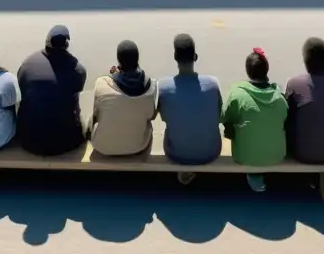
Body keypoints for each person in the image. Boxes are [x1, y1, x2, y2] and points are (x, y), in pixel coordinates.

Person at [157, 34, 223, 184]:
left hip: (176, 154)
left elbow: (164, 117)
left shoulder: (164, 86)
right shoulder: (213, 84)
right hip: (210, 153)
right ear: (195, 57)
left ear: (175, 57)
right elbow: (219, 115)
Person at [221, 48, 288, 193]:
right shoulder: (279, 97)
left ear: (248, 71)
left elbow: (224, 117)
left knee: (233, 121)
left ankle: (254, 174)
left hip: (244, 156)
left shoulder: (238, 93)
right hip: (276, 155)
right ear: (266, 70)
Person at [16, 25, 88, 156]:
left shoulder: (27, 65)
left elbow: (23, 89)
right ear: (66, 44)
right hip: (66, 142)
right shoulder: (78, 69)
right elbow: (76, 89)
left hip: (29, 140)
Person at [89, 40, 158, 157]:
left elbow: (97, 114)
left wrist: (113, 76)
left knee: (92, 117)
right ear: (137, 59)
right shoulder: (151, 87)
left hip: (102, 147)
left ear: (119, 61)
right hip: (137, 147)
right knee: (148, 124)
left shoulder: (101, 83)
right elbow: (152, 116)